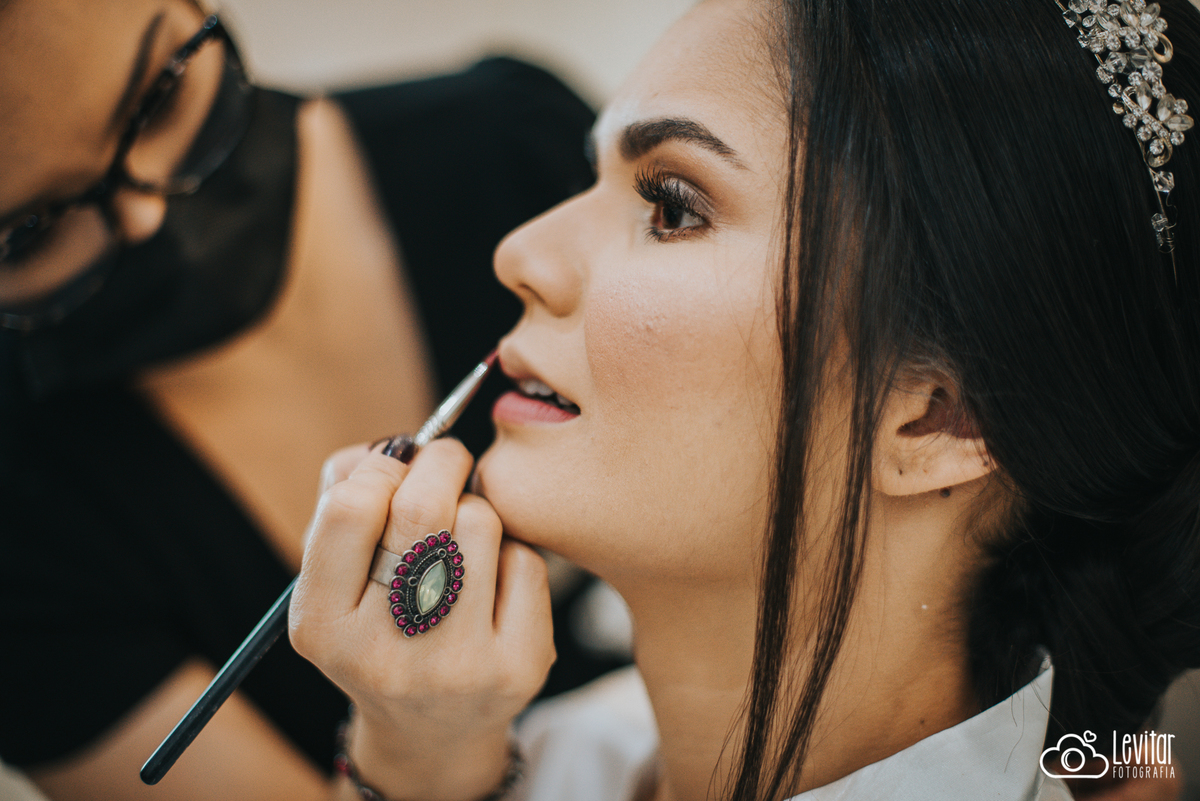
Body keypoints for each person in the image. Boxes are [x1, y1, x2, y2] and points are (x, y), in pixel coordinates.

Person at [285, 0, 1200, 799]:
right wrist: (416, 756)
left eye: (671, 204)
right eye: (588, 179)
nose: (518, 252)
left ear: (936, 414)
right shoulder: (556, 751)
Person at [0, 0, 596, 798]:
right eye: (27, 230)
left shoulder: (512, 147)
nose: (148, 216)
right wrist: (415, 752)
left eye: (161, 99)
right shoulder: (21, 520)